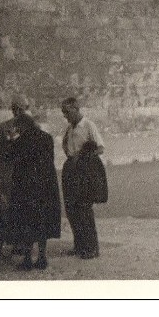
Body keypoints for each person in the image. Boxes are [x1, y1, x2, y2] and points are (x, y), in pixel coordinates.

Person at [1, 112, 62, 270]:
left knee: (26, 222)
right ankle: (42, 257)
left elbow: (9, 156)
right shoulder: (47, 137)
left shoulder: (21, 140)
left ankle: (27, 258)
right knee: (42, 221)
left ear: (22, 125)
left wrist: (11, 138)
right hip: (45, 185)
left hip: (26, 187)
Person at [60, 97, 106, 259]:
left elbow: (100, 148)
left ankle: (92, 247)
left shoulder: (88, 125)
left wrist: (84, 156)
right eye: (63, 113)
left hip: (85, 171)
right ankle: (79, 245)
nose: (65, 115)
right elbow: (66, 147)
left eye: (67, 111)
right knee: (72, 209)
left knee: (84, 209)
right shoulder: (69, 129)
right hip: (72, 170)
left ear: (76, 108)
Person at [0, 94, 31, 203]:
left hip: (13, 172)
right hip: (12, 173)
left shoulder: (3, 126)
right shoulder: (4, 127)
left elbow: (0, 151)